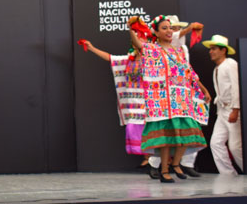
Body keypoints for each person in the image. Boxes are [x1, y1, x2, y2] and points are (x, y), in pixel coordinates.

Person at [129, 15, 211, 183]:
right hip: (162, 99)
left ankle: (175, 164)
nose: (169, 31)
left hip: (181, 99)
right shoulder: (152, 48)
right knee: (165, 136)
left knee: (186, 131)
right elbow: (138, 44)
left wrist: (203, 89)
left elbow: (190, 73)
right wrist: (131, 29)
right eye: (164, 28)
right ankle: (164, 171)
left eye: (170, 28)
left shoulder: (178, 51)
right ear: (156, 33)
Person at [147, 15, 206, 178]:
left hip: (182, 92)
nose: (174, 31)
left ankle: (182, 164)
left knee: (185, 130)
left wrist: (200, 88)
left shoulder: (181, 49)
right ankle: (157, 166)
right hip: (165, 94)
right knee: (165, 131)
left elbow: (187, 70)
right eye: (170, 28)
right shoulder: (161, 46)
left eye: (175, 28)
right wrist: (190, 27)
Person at [80, 40, 150, 170]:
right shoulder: (128, 60)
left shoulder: (153, 60)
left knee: (151, 129)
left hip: (150, 101)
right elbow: (110, 58)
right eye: (136, 44)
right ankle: (147, 158)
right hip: (134, 103)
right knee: (135, 128)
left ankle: (159, 160)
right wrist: (92, 48)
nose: (139, 46)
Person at [203, 34, 243, 175]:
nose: (210, 52)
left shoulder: (230, 64)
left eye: (214, 49)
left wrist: (236, 109)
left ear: (223, 50)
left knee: (235, 146)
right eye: (210, 49)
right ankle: (228, 174)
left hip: (232, 110)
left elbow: (237, 86)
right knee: (215, 143)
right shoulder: (216, 69)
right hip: (222, 111)